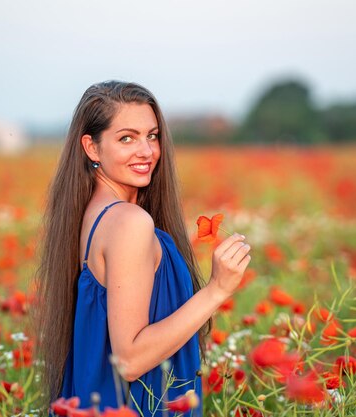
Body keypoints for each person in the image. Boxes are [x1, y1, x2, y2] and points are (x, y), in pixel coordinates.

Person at [34, 81, 251, 416]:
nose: (147, 151)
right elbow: (130, 360)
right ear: (91, 147)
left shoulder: (90, 213)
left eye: (152, 135)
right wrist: (217, 289)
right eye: (126, 138)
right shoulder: (129, 222)